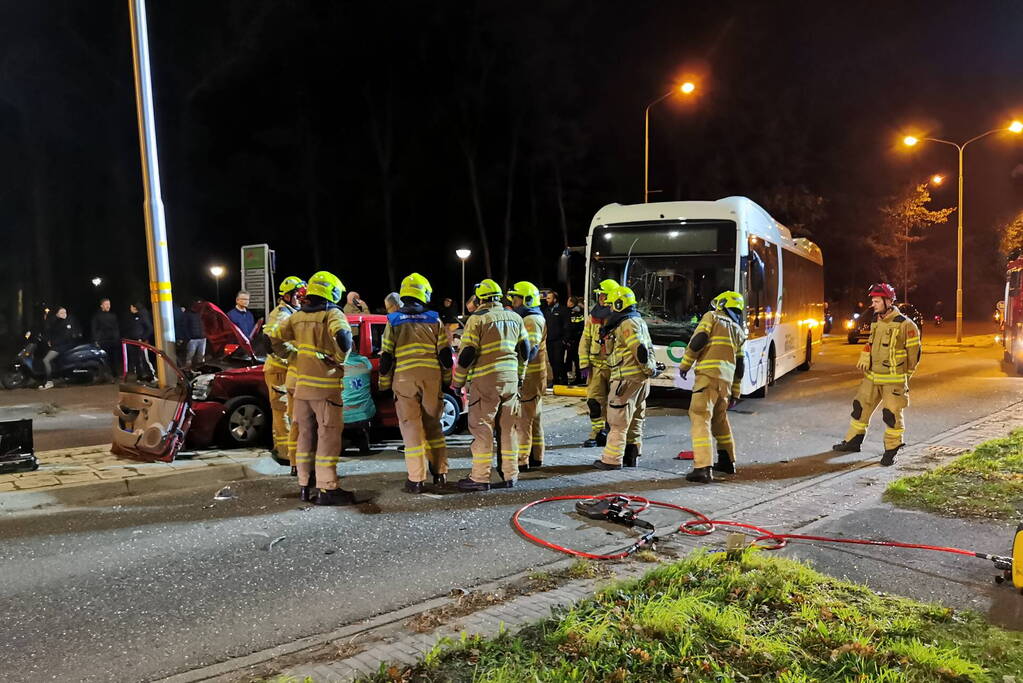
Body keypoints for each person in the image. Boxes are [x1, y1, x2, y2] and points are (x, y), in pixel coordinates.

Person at [270, 271, 355, 505]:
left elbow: (273, 337)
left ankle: (304, 485)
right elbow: (344, 337)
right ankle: (328, 489)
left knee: (305, 436)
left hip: (302, 387)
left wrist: (290, 355)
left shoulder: (296, 317)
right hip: (325, 388)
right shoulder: (332, 313)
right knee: (328, 436)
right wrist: (339, 358)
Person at [453, 279, 531, 491]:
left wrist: (457, 381)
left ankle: (480, 477)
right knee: (508, 429)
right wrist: (520, 376)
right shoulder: (516, 317)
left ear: (479, 299)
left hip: (486, 382)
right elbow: (525, 350)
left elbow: (467, 354)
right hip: (510, 381)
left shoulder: (477, 320)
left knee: (482, 428)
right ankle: (510, 475)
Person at [833, 283, 921, 466]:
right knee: (859, 408)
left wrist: (905, 377)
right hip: (872, 376)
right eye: (872, 301)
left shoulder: (906, 325)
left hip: (893, 380)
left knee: (891, 415)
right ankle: (853, 441)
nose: (873, 304)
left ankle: (891, 450)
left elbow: (914, 355)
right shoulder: (876, 320)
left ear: (888, 301)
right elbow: (871, 343)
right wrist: (866, 354)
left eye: (876, 301)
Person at [379, 273, 452, 493]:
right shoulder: (434, 319)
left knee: (411, 429)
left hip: (404, 379)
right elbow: (445, 354)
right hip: (431, 378)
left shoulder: (392, 321)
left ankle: (416, 480)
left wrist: (384, 383)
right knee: (434, 427)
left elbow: (386, 357)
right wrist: (446, 380)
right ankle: (440, 473)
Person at [677, 291, 747, 483]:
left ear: (722, 304)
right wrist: (736, 391)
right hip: (726, 381)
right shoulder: (738, 331)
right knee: (720, 420)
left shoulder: (712, 317)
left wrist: (685, 365)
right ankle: (728, 461)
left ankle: (702, 468)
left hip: (707, 378)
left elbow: (698, 340)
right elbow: (740, 366)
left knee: (700, 418)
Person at [593, 286, 655, 469]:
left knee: (617, 420)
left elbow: (640, 350)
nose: (610, 309)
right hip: (639, 380)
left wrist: (648, 369)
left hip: (625, 379)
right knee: (635, 419)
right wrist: (649, 371)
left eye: (612, 305)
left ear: (620, 304)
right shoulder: (637, 321)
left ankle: (611, 460)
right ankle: (631, 456)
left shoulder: (628, 323)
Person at [262, 276, 305, 471]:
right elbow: (269, 339)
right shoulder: (281, 313)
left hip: (285, 369)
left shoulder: (292, 311)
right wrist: (290, 356)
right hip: (279, 369)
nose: (300, 297)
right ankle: (287, 454)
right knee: (283, 413)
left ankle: (283, 449)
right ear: (287, 296)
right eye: (297, 294)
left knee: (284, 412)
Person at [507, 281, 546, 470]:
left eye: (517, 299)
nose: (514, 303)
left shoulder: (531, 320)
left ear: (527, 300)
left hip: (530, 376)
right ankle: (536, 457)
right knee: (534, 419)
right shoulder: (533, 317)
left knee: (522, 420)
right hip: (535, 375)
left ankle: (522, 460)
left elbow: (529, 350)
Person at [579, 279, 618, 446]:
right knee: (594, 401)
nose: (601, 298)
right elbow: (585, 339)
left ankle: (611, 432)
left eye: (603, 295)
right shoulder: (593, 316)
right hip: (596, 366)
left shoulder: (619, 317)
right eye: (600, 295)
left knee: (615, 402)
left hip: (614, 366)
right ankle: (596, 433)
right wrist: (583, 363)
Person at [342, 348, 376, 455]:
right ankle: (363, 440)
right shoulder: (364, 361)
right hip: (364, 411)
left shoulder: (338, 364)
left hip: (343, 414)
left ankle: (343, 441)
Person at [40, 307, 82, 389]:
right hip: (58, 345)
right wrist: (48, 340)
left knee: (46, 360)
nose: (64, 314)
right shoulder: (56, 322)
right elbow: (50, 331)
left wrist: (54, 343)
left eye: (65, 312)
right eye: (62, 313)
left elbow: (67, 335)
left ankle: (49, 381)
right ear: (57, 314)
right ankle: (53, 378)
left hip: (64, 345)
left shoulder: (69, 320)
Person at [543, 290, 569, 385]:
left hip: (559, 341)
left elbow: (567, 326)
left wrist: (565, 340)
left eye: (549, 298)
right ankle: (555, 380)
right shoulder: (546, 311)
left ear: (555, 299)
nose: (547, 300)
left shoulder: (563, 310)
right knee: (552, 362)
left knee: (559, 361)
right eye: (547, 298)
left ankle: (563, 380)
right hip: (549, 341)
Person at [91, 298, 121, 378]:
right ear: (101, 306)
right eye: (106, 304)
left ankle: (115, 374)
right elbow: (94, 328)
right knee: (105, 358)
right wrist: (96, 339)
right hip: (103, 340)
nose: (108, 306)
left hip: (113, 340)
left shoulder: (113, 315)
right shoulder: (97, 316)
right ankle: (106, 374)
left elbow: (116, 328)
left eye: (109, 304)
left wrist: (117, 337)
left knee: (114, 358)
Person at [125, 303, 155, 381]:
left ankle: (152, 376)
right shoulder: (132, 317)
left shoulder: (142, 315)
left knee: (145, 359)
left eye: (131, 306)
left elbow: (149, 328)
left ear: (135, 307)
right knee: (136, 359)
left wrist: (142, 338)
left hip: (141, 342)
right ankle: (140, 376)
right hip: (133, 342)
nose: (130, 308)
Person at [182, 300, 207, 369]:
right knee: (190, 355)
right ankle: (188, 369)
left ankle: (201, 369)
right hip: (193, 339)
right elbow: (184, 326)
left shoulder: (202, 313)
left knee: (201, 355)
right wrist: (189, 338)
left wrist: (206, 334)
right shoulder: (188, 314)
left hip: (203, 338)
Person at [565, 296, 584, 384]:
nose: (567, 303)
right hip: (577, 339)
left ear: (571, 303)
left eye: (568, 301)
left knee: (576, 360)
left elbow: (571, 327)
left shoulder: (572, 313)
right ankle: (580, 377)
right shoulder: (580, 311)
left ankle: (579, 378)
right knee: (576, 360)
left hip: (575, 341)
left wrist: (568, 339)